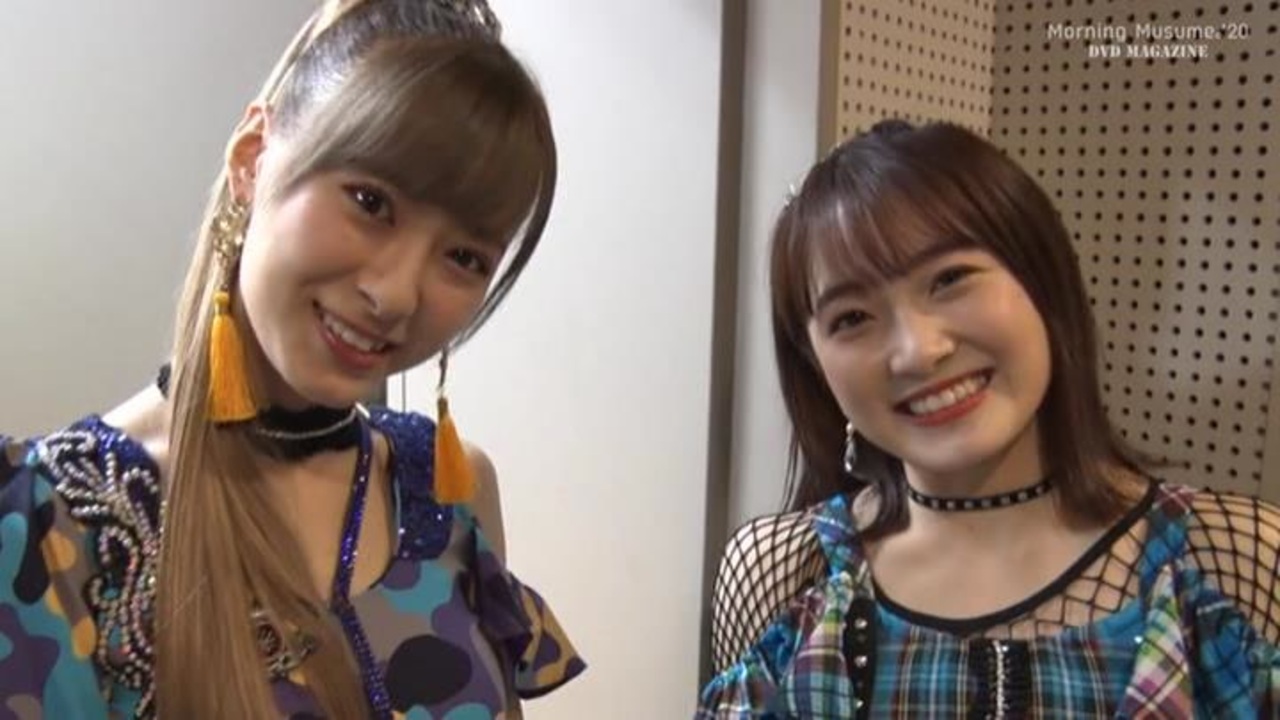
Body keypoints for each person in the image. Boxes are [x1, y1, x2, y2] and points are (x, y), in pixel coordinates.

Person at [0, 1, 585, 718]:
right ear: (252, 159)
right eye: (370, 202)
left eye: (464, 257)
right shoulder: (47, 521)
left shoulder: (450, 493)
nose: (396, 294)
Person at [696, 120, 1279, 717]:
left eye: (949, 280)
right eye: (851, 318)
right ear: (814, 361)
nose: (917, 351)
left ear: (1041, 279)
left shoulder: (1239, 561)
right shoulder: (780, 572)